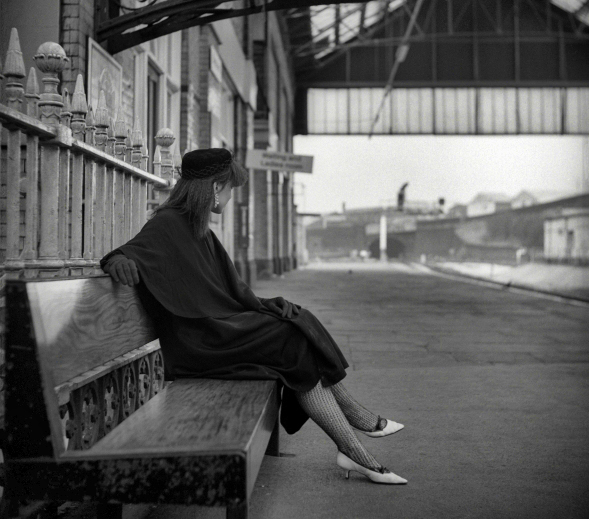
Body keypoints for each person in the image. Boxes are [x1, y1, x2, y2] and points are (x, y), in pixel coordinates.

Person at [101, 148, 406, 485]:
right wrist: (117, 260)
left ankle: (353, 439)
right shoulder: (168, 223)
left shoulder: (195, 226)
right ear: (215, 188)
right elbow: (128, 251)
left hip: (215, 332)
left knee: (294, 320)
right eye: (230, 190)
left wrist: (264, 305)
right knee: (290, 339)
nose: (230, 198)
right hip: (199, 345)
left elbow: (231, 288)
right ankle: (355, 433)